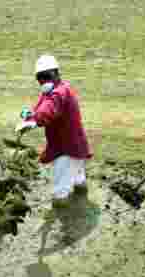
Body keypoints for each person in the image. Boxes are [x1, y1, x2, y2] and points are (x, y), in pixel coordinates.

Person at [16, 55, 93, 208]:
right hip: (75, 144)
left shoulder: (59, 93)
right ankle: (81, 197)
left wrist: (35, 120)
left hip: (67, 149)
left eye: (47, 76)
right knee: (78, 177)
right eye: (40, 78)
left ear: (56, 73)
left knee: (59, 193)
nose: (44, 81)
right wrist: (31, 115)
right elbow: (42, 108)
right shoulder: (53, 90)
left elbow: (47, 111)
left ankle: (64, 218)